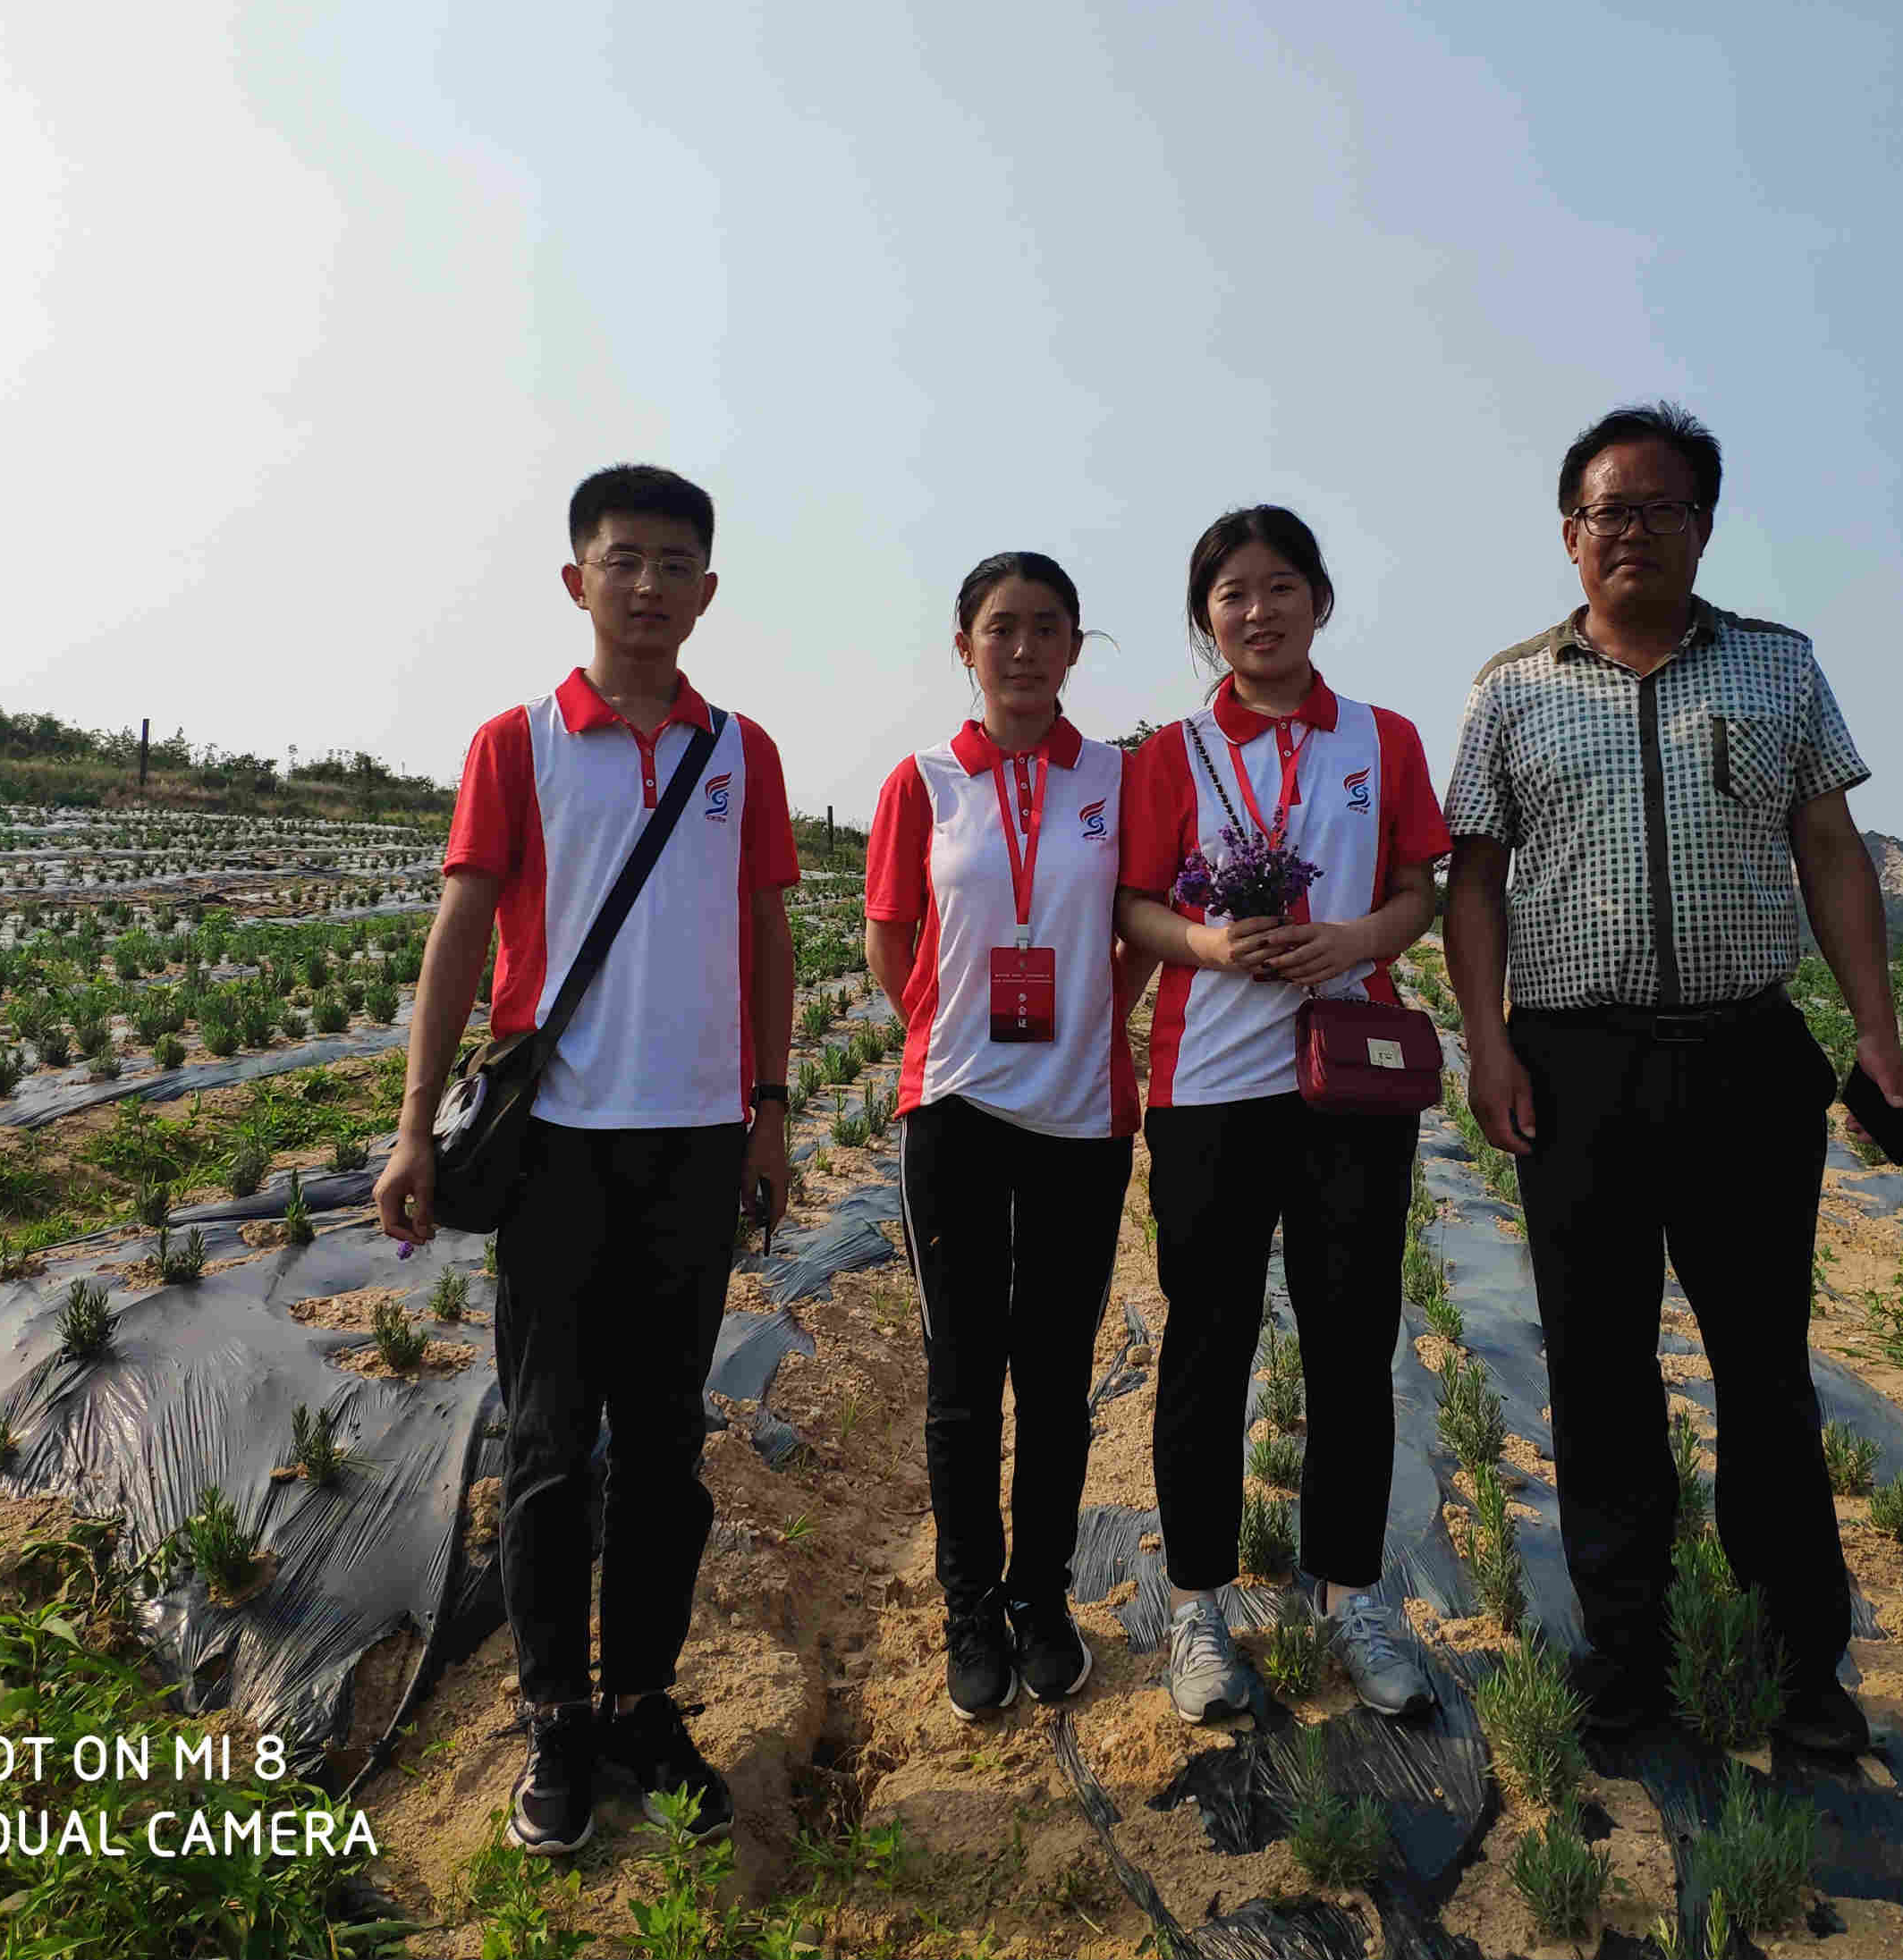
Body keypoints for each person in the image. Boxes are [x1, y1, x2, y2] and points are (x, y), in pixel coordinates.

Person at [1439, 404, 1903, 1759]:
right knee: (1595, 1370)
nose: (1632, 530)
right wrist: (1489, 1039)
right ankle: (1625, 1654)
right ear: (1570, 536)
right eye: (1608, 510)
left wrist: (1874, 1033)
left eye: (1660, 507)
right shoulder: (1510, 689)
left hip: (1747, 1057)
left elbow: (1830, 846)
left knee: (1763, 1368)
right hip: (1575, 1063)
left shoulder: (1776, 669)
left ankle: (1801, 1666)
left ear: (1705, 526)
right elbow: (1474, 877)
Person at [376, 462, 798, 1856]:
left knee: (669, 1447)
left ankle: (642, 1700)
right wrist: (413, 1118)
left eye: (678, 563)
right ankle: (557, 1714)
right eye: (624, 559)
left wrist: (773, 1111)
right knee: (552, 1444)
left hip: (689, 1146)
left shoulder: (741, 754)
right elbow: (459, 930)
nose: (650, 584)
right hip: (554, 1146)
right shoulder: (518, 742)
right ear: (577, 579)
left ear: (708, 591)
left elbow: (768, 937)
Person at [1115, 504, 1451, 1724]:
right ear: (1206, 620)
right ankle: (1198, 1607)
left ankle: (1350, 1593)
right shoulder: (1168, 757)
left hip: (1348, 1081)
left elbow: (1420, 886)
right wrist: (1206, 939)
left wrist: (1355, 937)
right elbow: (1136, 906)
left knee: (1354, 1341)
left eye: (1280, 587)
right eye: (1231, 595)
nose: (1257, 613)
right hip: (1206, 1085)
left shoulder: (1382, 739)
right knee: (1207, 1343)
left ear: (1320, 598)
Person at [867, 553, 1150, 1721]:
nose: (1024, 649)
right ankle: (969, 1608)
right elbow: (892, 937)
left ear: (1076, 647)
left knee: (1056, 1372)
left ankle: (1044, 1596)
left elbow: (1139, 923)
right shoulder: (923, 781)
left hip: (1081, 1119)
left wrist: (1096, 1022)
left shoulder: (1119, 781)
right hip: (958, 1119)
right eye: (1001, 628)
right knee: (961, 1378)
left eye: (1046, 628)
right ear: (964, 645)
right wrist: (946, 1044)